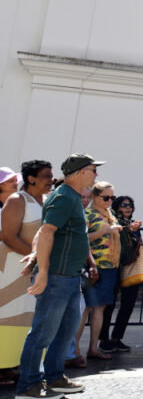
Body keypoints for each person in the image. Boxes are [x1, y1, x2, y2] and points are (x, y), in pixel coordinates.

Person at [16, 153, 101, 398]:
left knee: (65, 332)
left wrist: (35, 256)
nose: (96, 175)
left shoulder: (71, 196)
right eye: (93, 170)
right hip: (57, 277)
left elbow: (50, 233)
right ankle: (29, 385)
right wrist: (42, 271)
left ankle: (54, 378)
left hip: (70, 277)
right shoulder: (64, 196)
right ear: (80, 172)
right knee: (43, 333)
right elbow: (46, 231)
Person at [0, 160, 53, 384]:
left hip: (35, 269)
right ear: (31, 178)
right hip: (13, 268)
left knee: (28, 317)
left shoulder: (48, 201)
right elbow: (8, 236)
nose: (51, 180)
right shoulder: (17, 200)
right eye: (46, 176)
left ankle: (19, 363)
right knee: (7, 316)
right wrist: (37, 259)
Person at [77, 181, 122, 362]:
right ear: (94, 197)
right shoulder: (87, 214)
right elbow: (82, 238)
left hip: (110, 266)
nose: (110, 201)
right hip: (93, 266)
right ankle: (74, 351)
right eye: (106, 197)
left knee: (100, 308)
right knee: (85, 308)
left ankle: (93, 348)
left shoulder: (110, 215)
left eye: (112, 197)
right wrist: (106, 231)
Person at [98, 193, 143, 353]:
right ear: (116, 207)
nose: (128, 207)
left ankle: (117, 338)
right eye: (124, 205)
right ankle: (103, 339)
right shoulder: (113, 222)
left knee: (128, 304)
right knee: (109, 305)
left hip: (130, 268)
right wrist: (127, 229)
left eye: (130, 205)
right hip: (114, 267)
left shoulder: (133, 225)